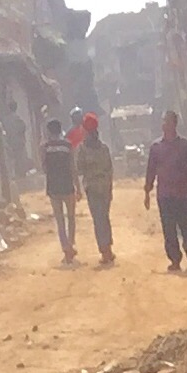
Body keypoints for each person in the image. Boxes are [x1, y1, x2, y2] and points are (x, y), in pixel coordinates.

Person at [144, 109, 187, 272]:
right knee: (169, 229)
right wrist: (147, 192)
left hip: (183, 194)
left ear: (174, 124)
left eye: (166, 121)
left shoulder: (185, 146)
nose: (163, 124)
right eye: (163, 121)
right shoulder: (156, 147)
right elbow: (151, 171)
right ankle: (175, 259)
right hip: (165, 196)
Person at [75, 113, 116, 267]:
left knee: (98, 220)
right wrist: (110, 188)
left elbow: (79, 168)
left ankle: (105, 251)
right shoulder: (104, 148)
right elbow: (110, 169)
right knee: (104, 217)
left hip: (92, 188)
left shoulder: (82, 149)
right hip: (104, 186)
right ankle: (108, 249)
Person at [42, 118, 79, 262]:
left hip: (53, 187)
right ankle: (71, 244)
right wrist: (78, 187)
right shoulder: (68, 145)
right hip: (67, 185)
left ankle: (65, 248)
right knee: (71, 217)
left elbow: (44, 167)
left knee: (60, 220)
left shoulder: (45, 147)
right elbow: (72, 167)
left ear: (49, 131)